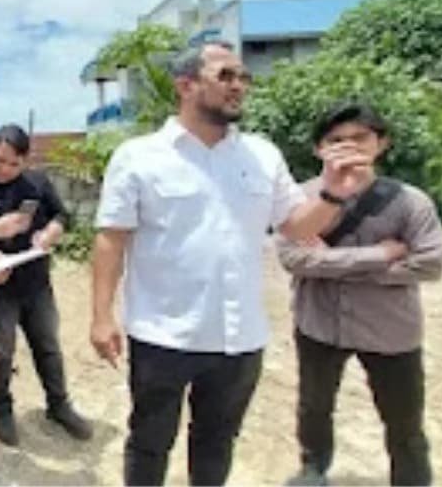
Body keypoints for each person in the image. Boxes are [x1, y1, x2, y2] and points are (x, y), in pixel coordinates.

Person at [90, 41, 375, 485]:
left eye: (244, 77)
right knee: (149, 442)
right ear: (185, 85)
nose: (239, 85)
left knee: (217, 443)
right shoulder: (139, 156)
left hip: (239, 338)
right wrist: (101, 316)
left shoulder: (262, 155)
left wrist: (334, 194)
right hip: (162, 334)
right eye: (225, 76)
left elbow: (296, 226)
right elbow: (112, 238)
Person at [277, 103, 442, 487]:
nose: (348, 147)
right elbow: (293, 259)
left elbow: (430, 264)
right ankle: (313, 471)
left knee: (404, 419)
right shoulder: (300, 201)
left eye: (360, 138)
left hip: (390, 330)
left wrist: (327, 263)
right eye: (336, 140)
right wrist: (381, 255)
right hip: (319, 324)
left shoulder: (411, 202)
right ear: (319, 149)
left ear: (381, 143)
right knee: (314, 407)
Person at [0, 124, 92, 446]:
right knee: (1, 353)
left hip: (37, 283)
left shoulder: (36, 183)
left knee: (48, 346)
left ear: (25, 162)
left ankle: (59, 404)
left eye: (15, 164)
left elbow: (62, 215)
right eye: (0, 160)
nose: (6, 169)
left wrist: (51, 232)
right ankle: (3, 410)